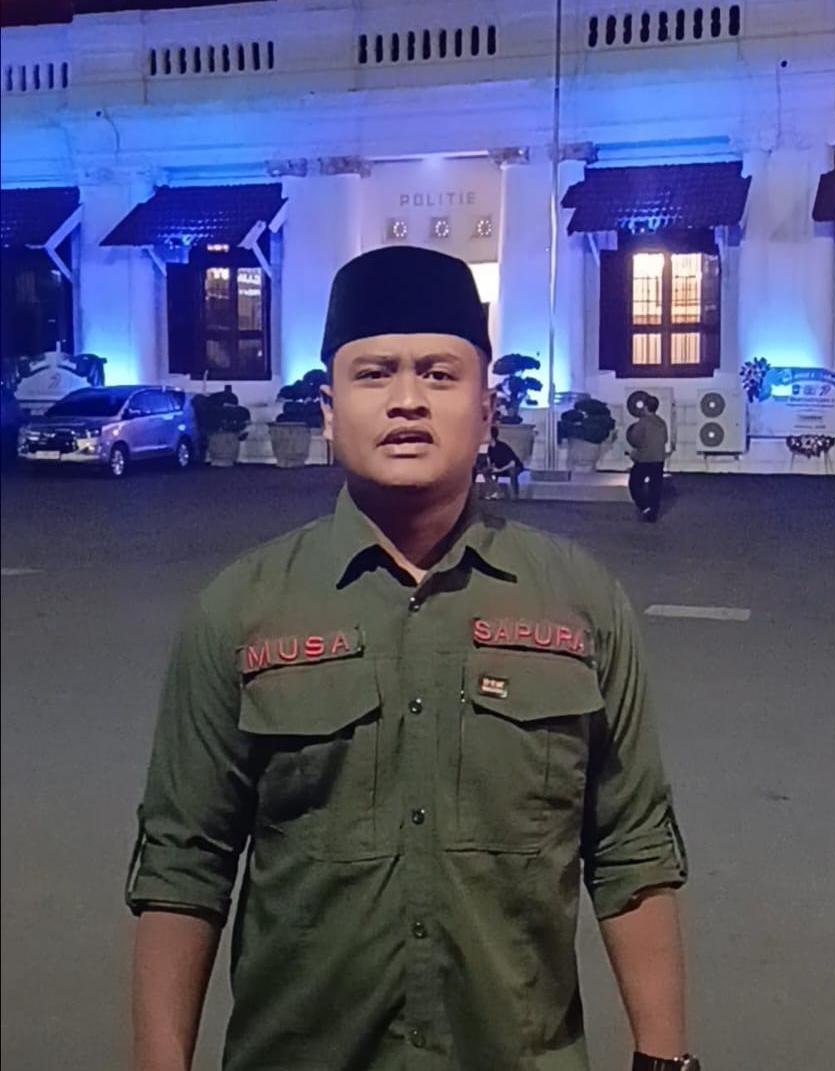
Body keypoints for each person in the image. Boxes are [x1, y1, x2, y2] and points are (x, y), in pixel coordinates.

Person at [128, 245, 697, 1071]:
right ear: (329, 411)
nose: (406, 400)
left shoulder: (579, 604)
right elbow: (184, 865)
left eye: (438, 373)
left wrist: (666, 1060)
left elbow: (633, 849)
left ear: (486, 408)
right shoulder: (241, 612)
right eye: (374, 374)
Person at [627, 395, 669, 522]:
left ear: (645, 407)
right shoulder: (661, 422)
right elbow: (665, 439)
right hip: (658, 458)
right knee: (655, 486)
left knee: (634, 483)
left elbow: (635, 439)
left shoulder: (643, 422)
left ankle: (644, 506)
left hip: (644, 458)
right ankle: (653, 512)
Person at [482, 423, 524, 499]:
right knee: (486, 471)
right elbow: (491, 462)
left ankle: (515, 494)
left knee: (512, 471)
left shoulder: (502, 447)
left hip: (514, 466)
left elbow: (512, 463)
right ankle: (496, 491)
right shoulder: (490, 448)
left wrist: (499, 470)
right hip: (501, 467)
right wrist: (490, 468)